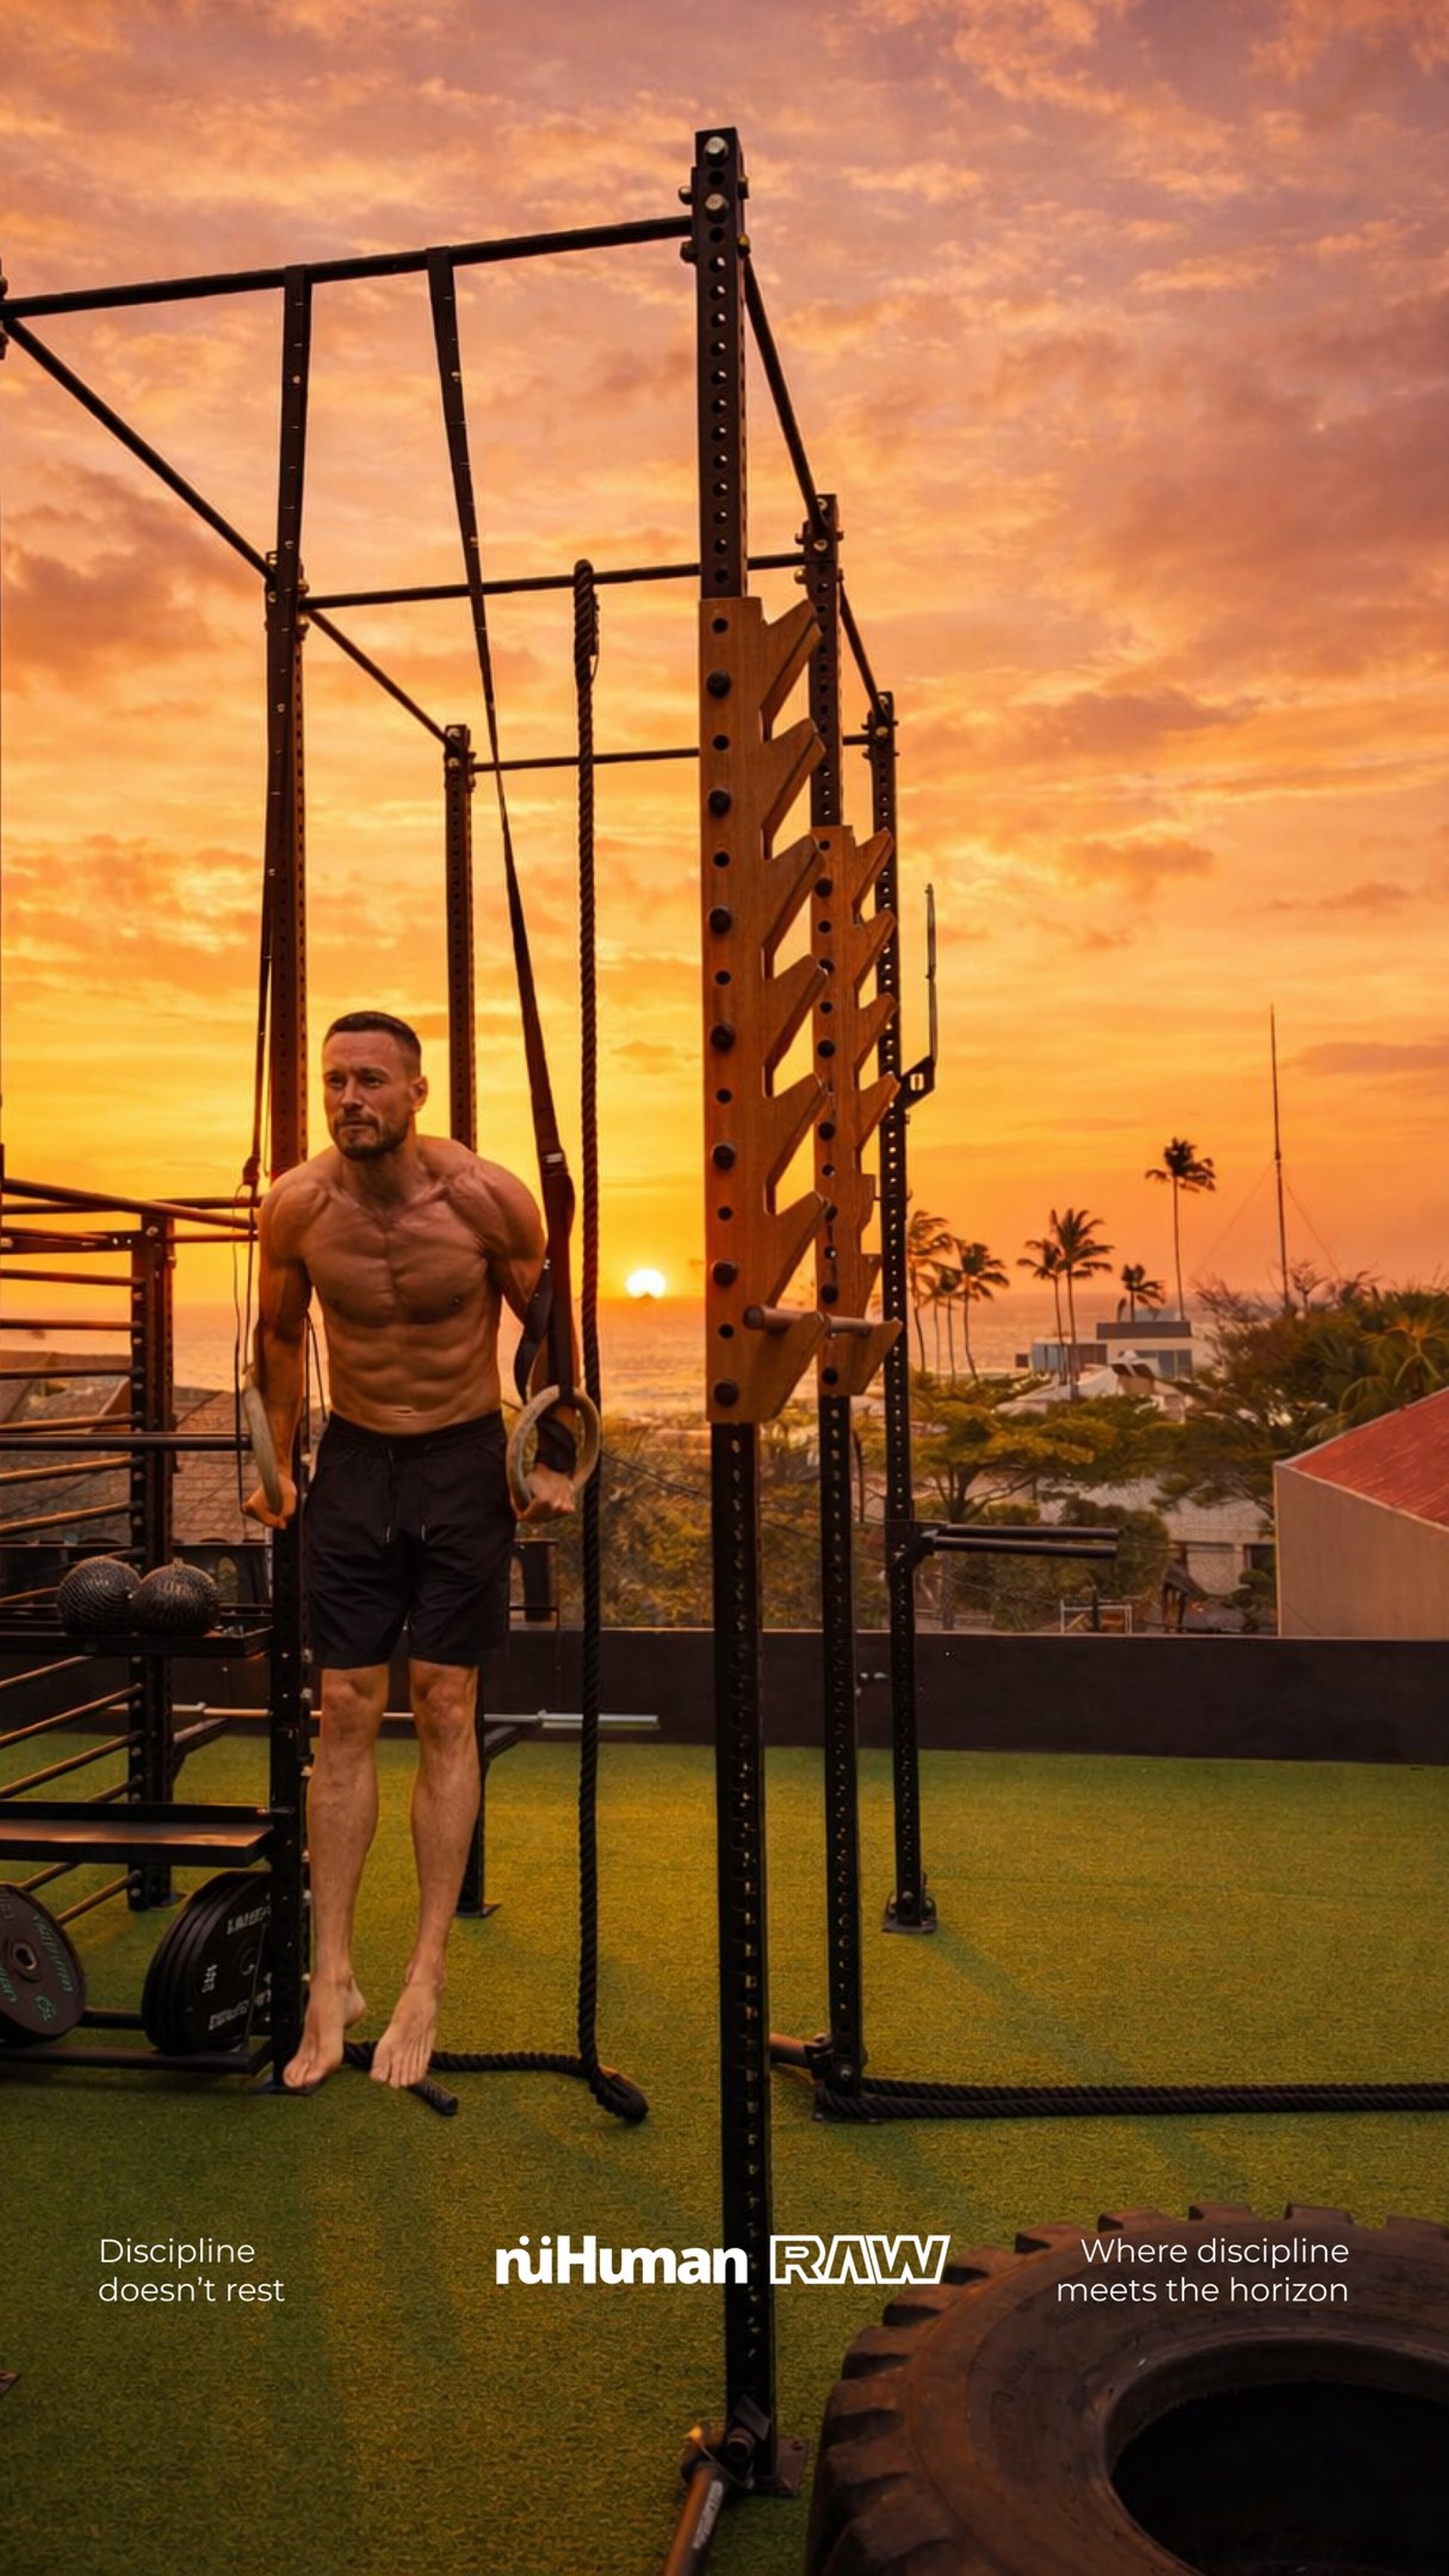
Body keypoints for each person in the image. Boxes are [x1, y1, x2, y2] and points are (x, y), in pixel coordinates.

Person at [245, 1008, 577, 2094]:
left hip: (461, 1459)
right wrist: (278, 1459)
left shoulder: (484, 1199)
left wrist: (553, 1458)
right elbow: (282, 1336)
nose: (351, 1098)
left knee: (442, 1699)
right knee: (342, 1705)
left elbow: (550, 1345)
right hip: (355, 1464)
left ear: (417, 1091)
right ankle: (329, 1976)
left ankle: (425, 1971)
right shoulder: (296, 1207)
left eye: (372, 1079)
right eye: (336, 1080)